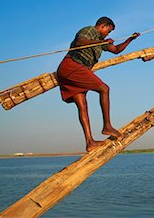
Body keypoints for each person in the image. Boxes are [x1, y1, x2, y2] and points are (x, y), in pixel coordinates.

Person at [56, 17, 140, 152]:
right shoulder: (89, 31)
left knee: (82, 106)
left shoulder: (101, 41)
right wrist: (100, 42)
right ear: (102, 26)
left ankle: (90, 142)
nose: (108, 34)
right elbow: (79, 42)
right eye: (108, 30)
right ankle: (107, 125)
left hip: (73, 70)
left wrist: (130, 39)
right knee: (104, 89)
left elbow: (116, 49)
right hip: (72, 66)